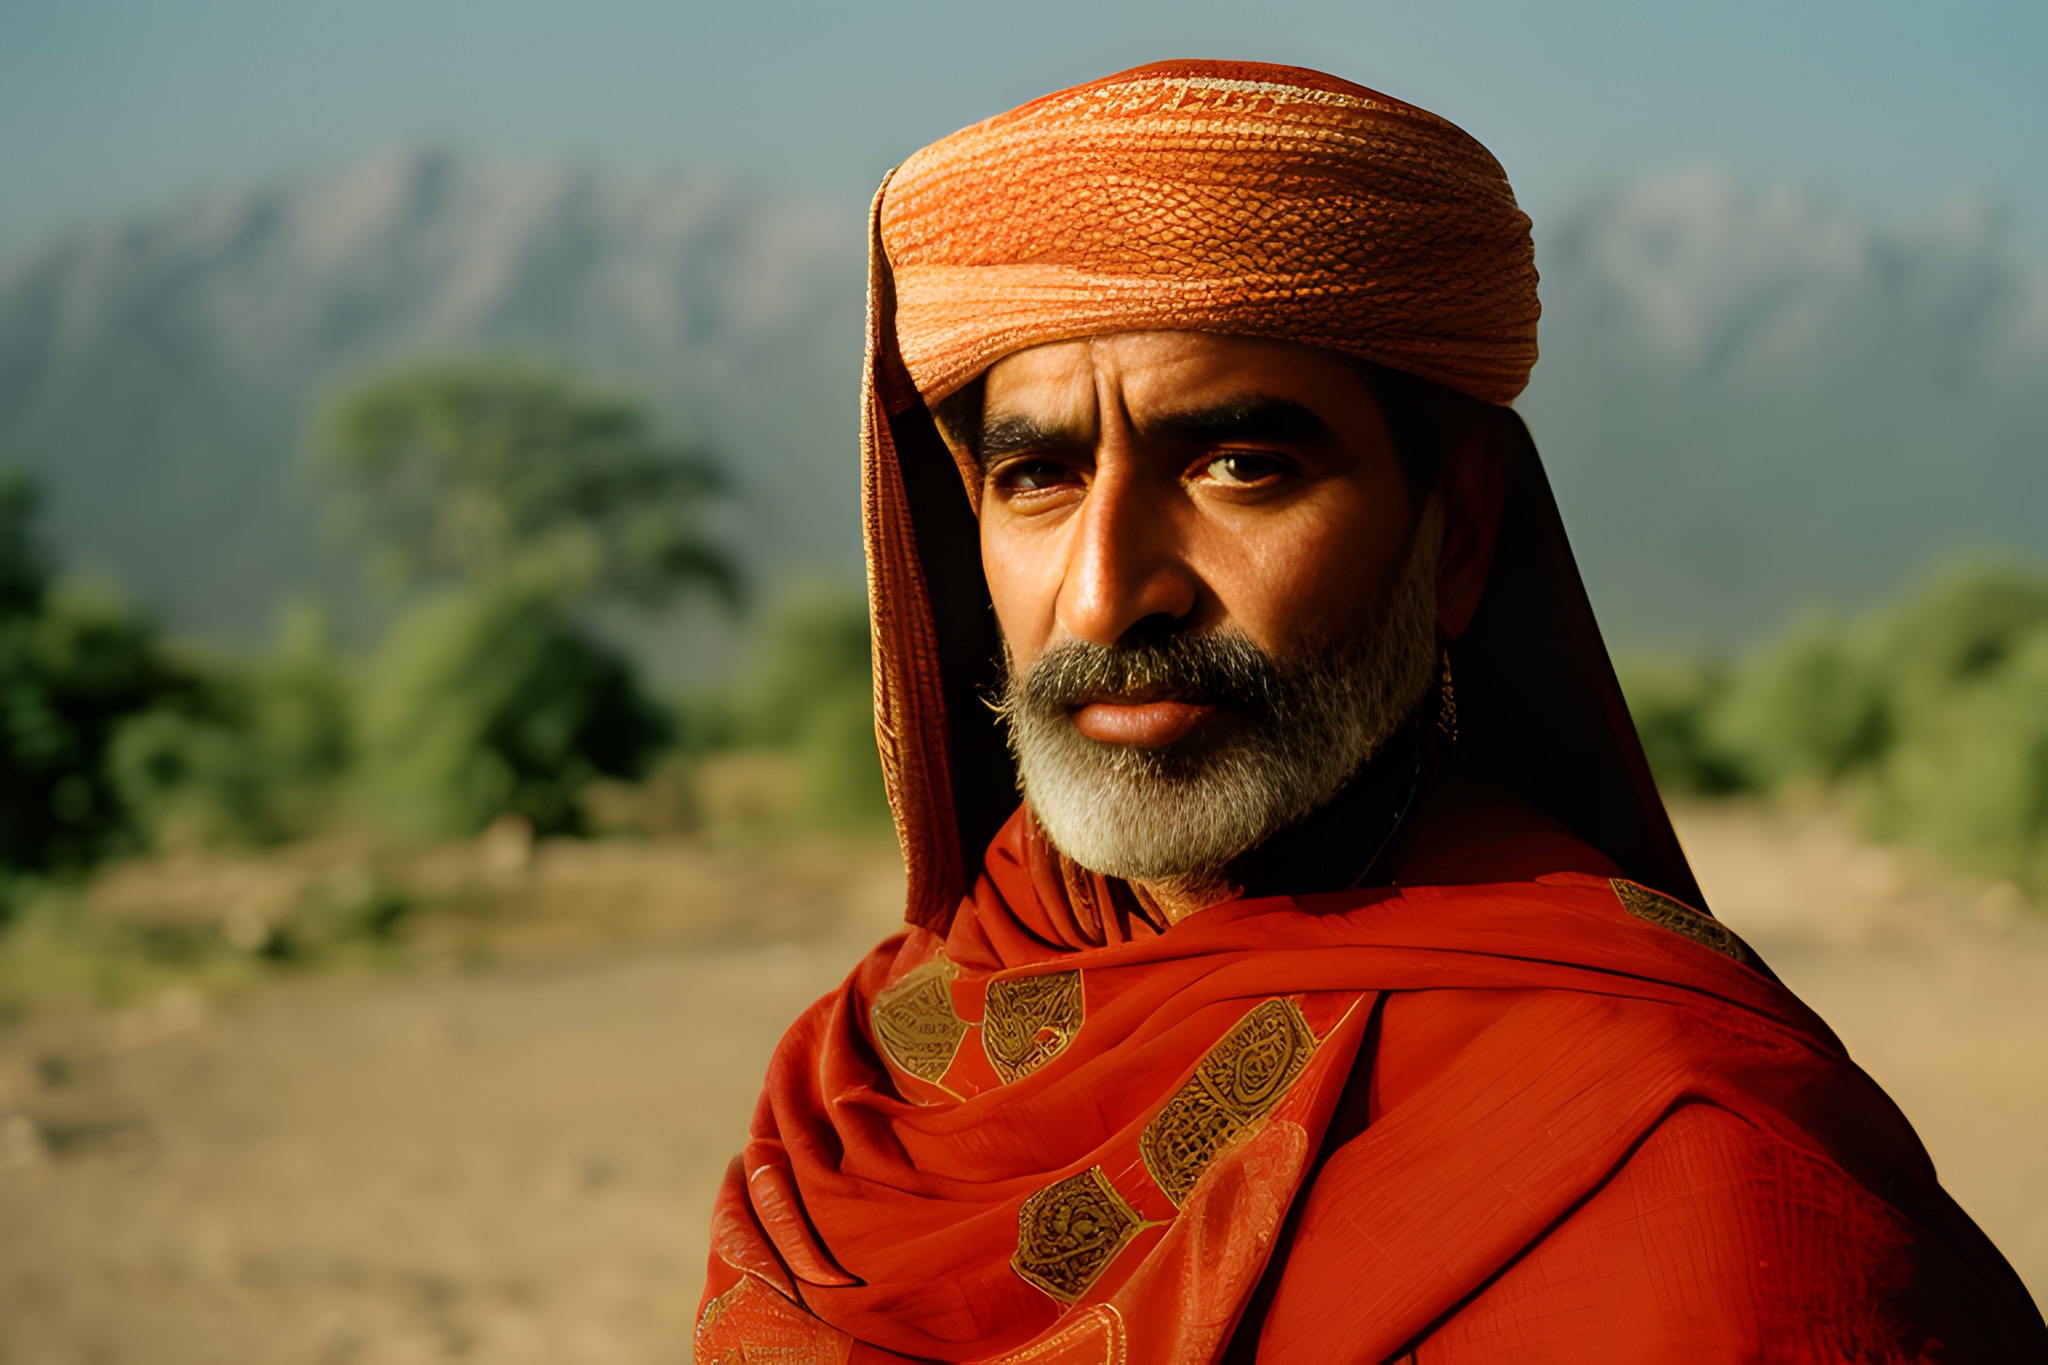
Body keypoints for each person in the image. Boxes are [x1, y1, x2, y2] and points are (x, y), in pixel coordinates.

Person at [695, 60, 2046, 1362]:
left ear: (1457, 534)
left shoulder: (1692, 1150)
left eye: (1240, 466)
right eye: (1038, 475)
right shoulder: (862, 1088)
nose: (1108, 595)